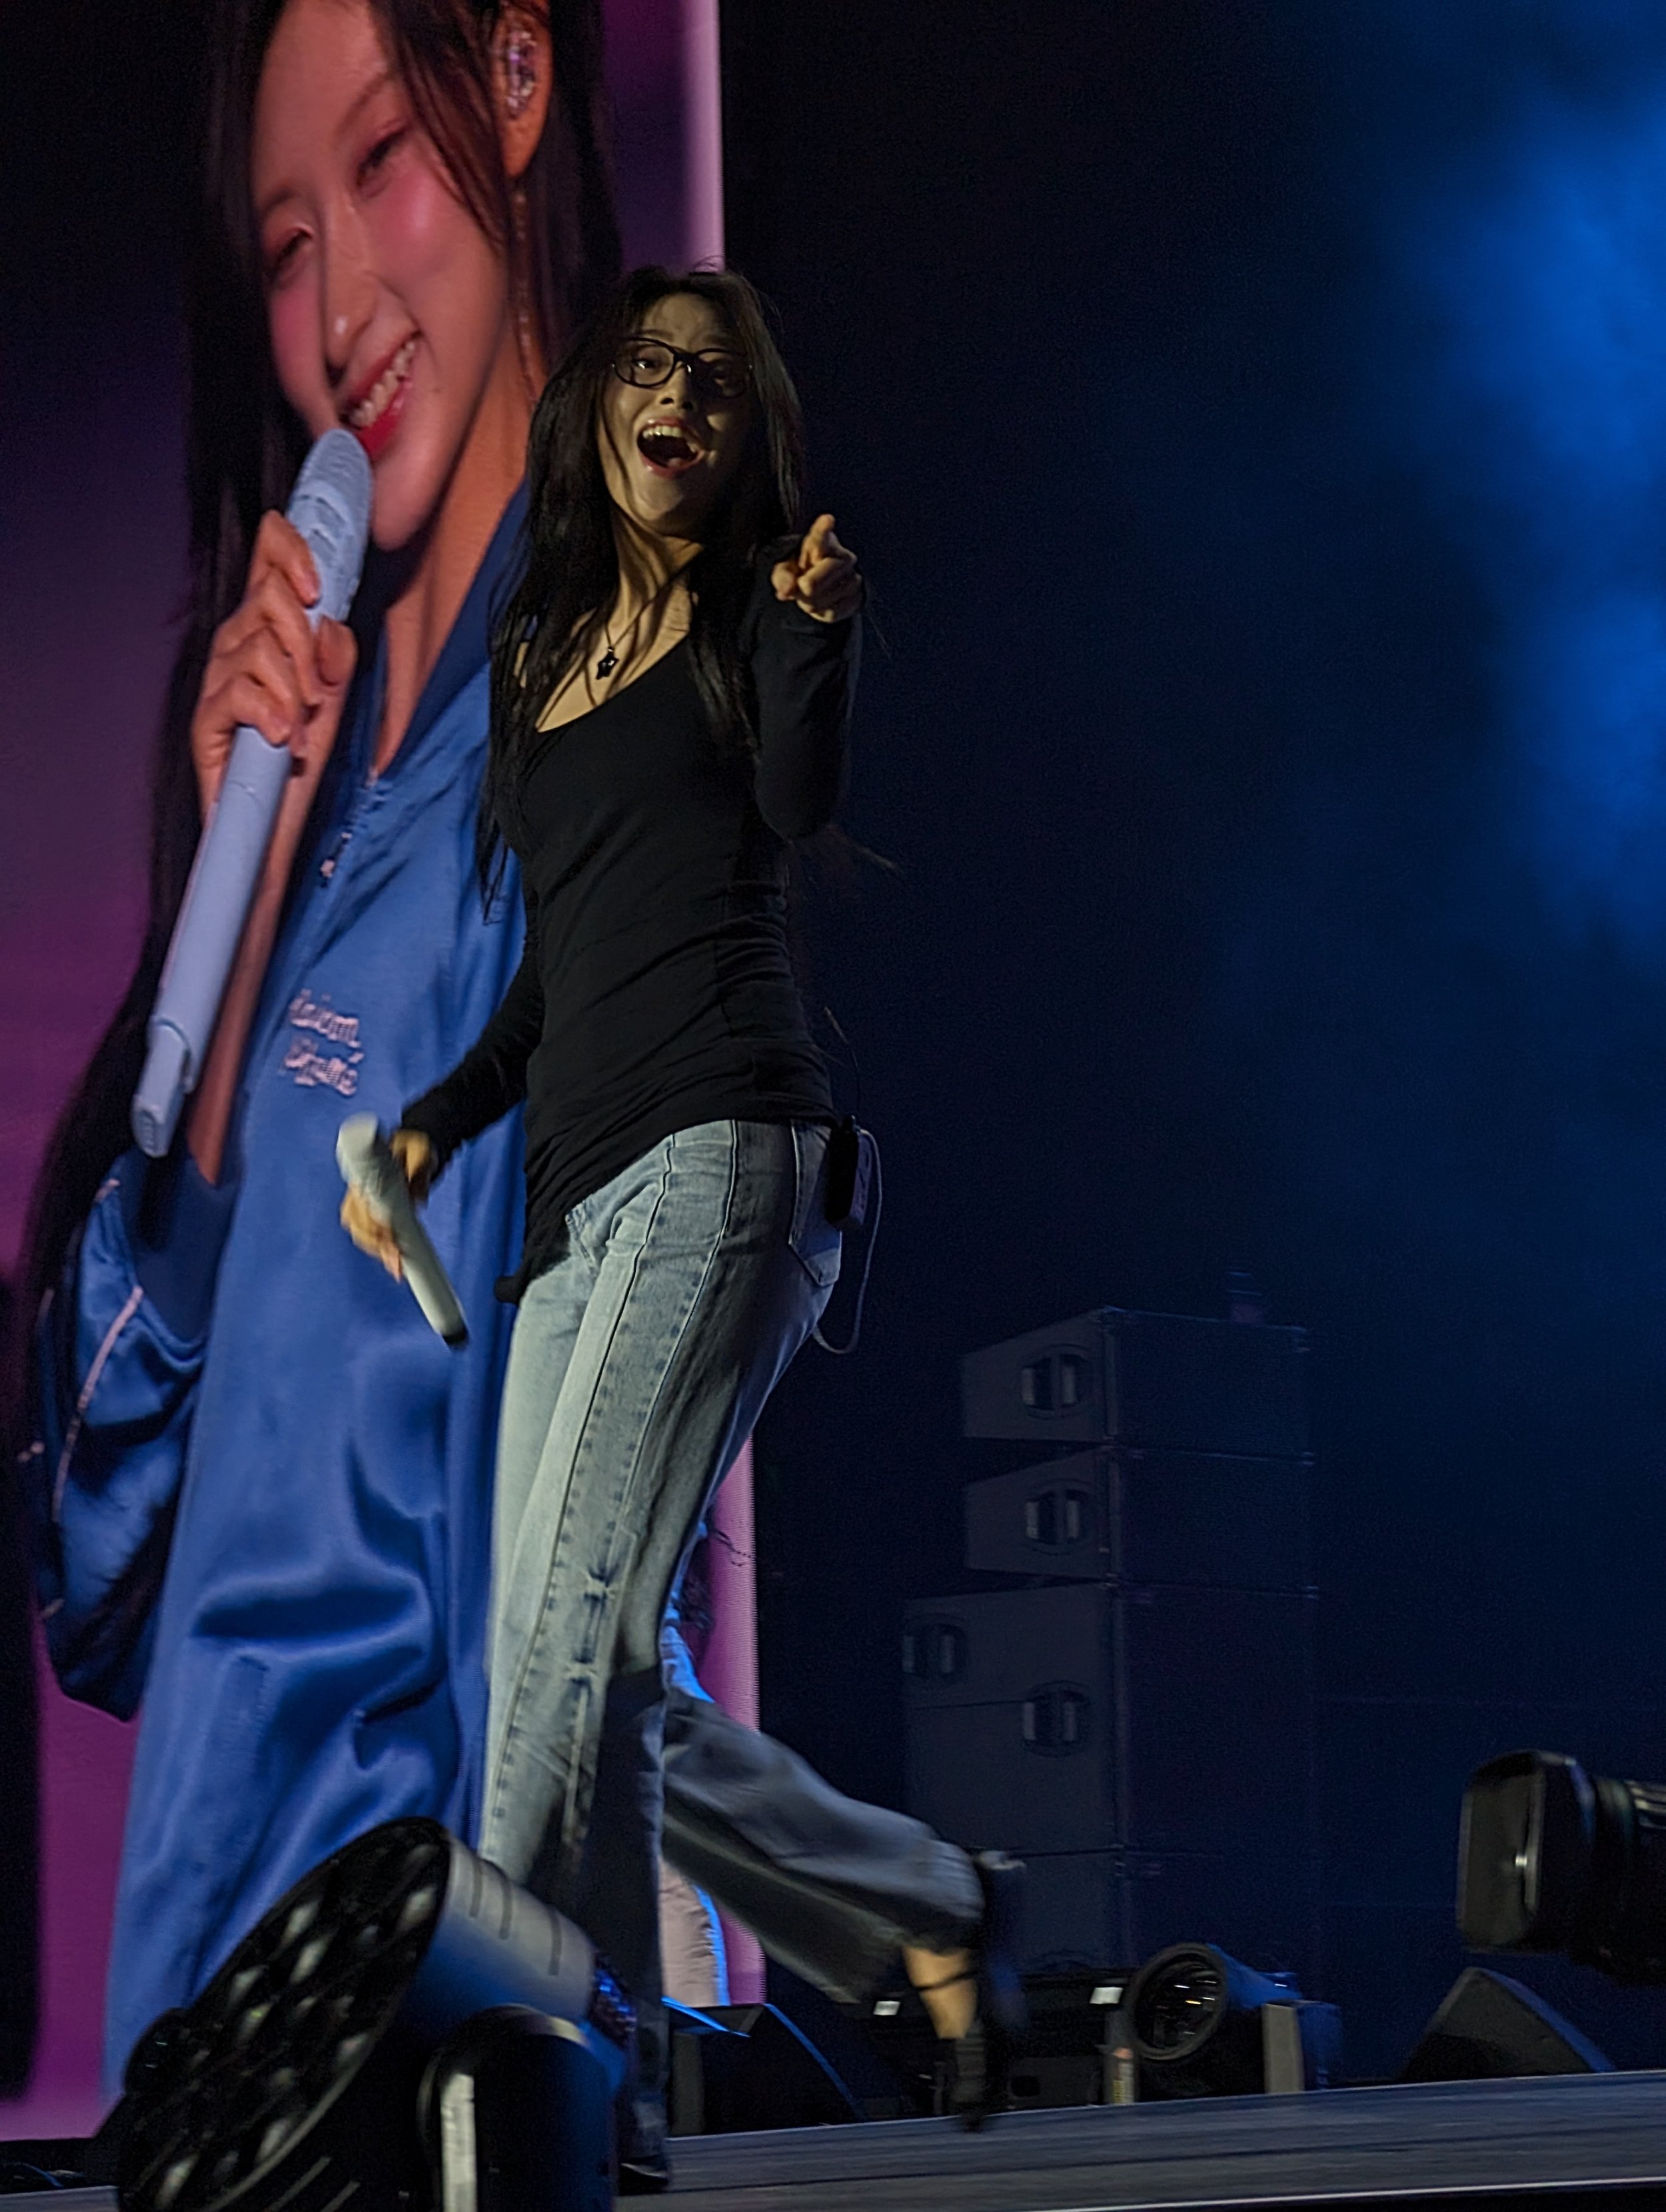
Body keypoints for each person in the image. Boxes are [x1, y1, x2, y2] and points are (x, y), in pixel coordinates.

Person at [342, 267, 1023, 2171]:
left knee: (565, 1647)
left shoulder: (755, 608)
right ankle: (924, 1903)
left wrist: (815, 635)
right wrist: (432, 1129)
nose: (680, 400)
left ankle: (548, 2071)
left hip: (728, 1152)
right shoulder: (544, 656)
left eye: (715, 383)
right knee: (588, 1662)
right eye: (650, 368)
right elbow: (556, 973)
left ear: (743, 437)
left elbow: (797, 804)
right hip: (579, 1196)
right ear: (597, 412)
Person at [21, 0, 618, 2088]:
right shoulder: (292, 776)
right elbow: (104, 1581)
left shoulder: (611, 735)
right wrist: (246, 902)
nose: (341, 305)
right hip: (214, 2054)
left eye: (381, 165)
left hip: (434, 2035)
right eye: (285, 246)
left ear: (518, 83)